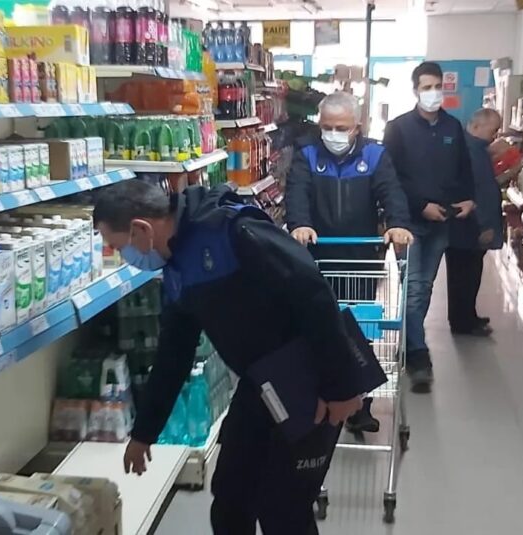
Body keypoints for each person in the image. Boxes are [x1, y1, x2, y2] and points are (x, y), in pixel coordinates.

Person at [96, 180, 367, 534]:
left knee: (283, 511)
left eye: (119, 246)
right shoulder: (176, 269)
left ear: (141, 229)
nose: (123, 256)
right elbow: (173, 354)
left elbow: (314, 294)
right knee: (230, 498)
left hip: (311, 380)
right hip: (260, 384)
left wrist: (341, 387)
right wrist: (144, 432)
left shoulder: (234, 231)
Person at [284, 91, 413, 433]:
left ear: (357, 126)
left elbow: (391, 192)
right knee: (318, 331)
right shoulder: (307, 153)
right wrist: (299, 224)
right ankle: (322, 398)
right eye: (327, 127)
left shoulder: (374, 155)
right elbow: (297, 191)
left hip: (360, 258)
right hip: (318, 258)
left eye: (341, 128)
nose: (333, 134)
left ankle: (361, 405)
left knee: (360, 331)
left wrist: (398, 223)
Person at [383, 61, 476, 393]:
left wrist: (468, 199)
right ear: (415, 91)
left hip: (442, 221)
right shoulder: (398, 129)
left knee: (424, 287)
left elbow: (464, 169)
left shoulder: (452, 127)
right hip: (408, 222)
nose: (433, 93)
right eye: (426, 87)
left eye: (438, 86)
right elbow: (391, 177)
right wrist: (420, 205)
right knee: (413, 287)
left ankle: (409, 342)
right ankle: (418, 356)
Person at [446, 108, 505, 337]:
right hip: (469, 225)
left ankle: (468, 316)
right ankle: (463, 322)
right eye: (493, 130)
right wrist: (484, 225)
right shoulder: (470, 151)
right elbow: (477, 192)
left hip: (469, 225)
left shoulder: (476, 148)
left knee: (469, 274)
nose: (495, 135)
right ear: (477, 126)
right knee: (464, 276)